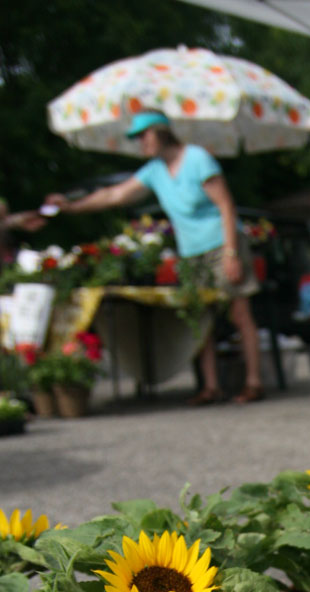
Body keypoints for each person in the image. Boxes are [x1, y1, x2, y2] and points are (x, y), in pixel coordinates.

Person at [45, 110, 264, 405]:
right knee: (200, 319)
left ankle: (253, 382)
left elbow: (226, 205)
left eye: (143, 136)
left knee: (239, 313)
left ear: (160, 132)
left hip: (221, 242)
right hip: (190, 252)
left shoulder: (197, 159)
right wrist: (70, 206)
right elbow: (114, 195)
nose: (141, 144)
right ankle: (211, 386)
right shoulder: (154, 171)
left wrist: (231, 253)